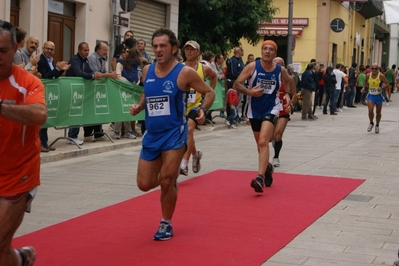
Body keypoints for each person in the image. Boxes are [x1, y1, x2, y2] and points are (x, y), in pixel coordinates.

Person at [129, 28, 215, 240]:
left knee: (166, 180)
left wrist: (202, 109)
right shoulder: (147, 70)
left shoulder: (184, 72)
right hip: (152, 134)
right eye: (155, 46)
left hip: (175, 133)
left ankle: (165, 222)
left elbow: (210, 91)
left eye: (163, 46)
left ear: (174, 48)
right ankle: (171, 178)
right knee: (144, 184)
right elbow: (146, 93)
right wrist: (140, 107)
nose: (158, 50)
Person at [0, 19, 47, 266]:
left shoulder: (28, 82)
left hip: (18, 174)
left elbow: (40, 114)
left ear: (16, 48)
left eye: (3, 51)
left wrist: (2, 109)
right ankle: (20, 259)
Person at [233, 40, 292, 193]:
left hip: (272, 108)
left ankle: (259, 178)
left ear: (275, 53)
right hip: (254, 109)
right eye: (264, 48)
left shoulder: (280, 70)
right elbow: (236, 84)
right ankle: (268, 168)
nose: (267, 51)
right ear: (261, 51)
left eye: (271, 49)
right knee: (260, 145)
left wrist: (288, 94)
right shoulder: (253, 66)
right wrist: (249, 92)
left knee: (263, 142)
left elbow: (290, 81)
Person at [179, 40, 217, 176]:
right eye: (187, 49)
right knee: (189, 135)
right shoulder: (179, 67)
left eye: (192, 49)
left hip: (196, 106)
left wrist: (209, 91)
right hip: (182, 106)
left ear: (198, 52)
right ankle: (196, 154)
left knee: (189, 130)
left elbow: (214, 76)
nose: (189, 51)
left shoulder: (203, 68)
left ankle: (184, 164)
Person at [65, 42, 102, 145]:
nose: (87, 52)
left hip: (80, 90)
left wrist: (94, 74)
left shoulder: (85, 60)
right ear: (79, 50)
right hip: (72, 89)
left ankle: (73, 136)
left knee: (78, 112)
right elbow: (79, 73)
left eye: (88, 50)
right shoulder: (75, 59)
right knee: (74, 113)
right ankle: (72, 136)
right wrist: (92, 76)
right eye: (85, 50)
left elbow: (89, 71)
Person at [37, 41, 71, 152]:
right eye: (47, 49)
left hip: (50, 93)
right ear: (43, 48)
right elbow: (46, 76)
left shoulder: (51, 60)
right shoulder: (40, 60)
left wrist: (60, 70)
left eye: (51, 49)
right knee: (42, 118)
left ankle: (45, 142)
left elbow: (53, 76)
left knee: (47, 117)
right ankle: (40, 143)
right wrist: (57, 69)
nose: (49, 51)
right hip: (42, 92)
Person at [85, 41, 118, 142]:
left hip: (99, 90)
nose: (106, 52)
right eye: (105, 50)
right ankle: (88, 134)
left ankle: (98, 133)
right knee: (90, 111)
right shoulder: (92, 58)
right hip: (90, 88)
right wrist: (108, 75)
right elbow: (96, 74)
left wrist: (110, 73)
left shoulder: (103, 59)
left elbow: (103, 72)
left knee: (99, 109)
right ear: (98, 50)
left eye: (107, 50)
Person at [271, 57, 294, 167]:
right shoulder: (268, 76)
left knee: (278, 134)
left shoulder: (289, 79)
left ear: (284, 66)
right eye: (274, 64)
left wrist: (290, 103)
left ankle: (276, 157)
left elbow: (294, 94)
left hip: (283, 108)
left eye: (279, 64)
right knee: (270, 137)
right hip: (269, 107)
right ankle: (275, 142)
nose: (277, 66)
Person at [115, 46, 142, 139]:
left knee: (128, 109)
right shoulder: (120, 63)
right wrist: (128, 84)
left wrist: (135, 84)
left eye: (128, 52)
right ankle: (117, 131)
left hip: (131, 89)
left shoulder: (135, 65)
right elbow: (118, 76)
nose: (126, 53)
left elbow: (137, 75)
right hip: (122, 88)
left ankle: (128, 131)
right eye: (125, 51)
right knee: (120, 109)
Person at [361, 63, 390, 134]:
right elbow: (365, 81)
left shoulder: (381, 76)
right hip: (371, 95)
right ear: (371, 69)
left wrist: (382, 87)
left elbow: (387, 83)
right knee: (370, 110)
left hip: (378, 96)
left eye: (375, 69)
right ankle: (371, 123)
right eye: (372, 69)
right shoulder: (368, 75)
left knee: (378, 112)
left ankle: (377, 125)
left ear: (378, 69)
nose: (374, 70)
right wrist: (364, 87)